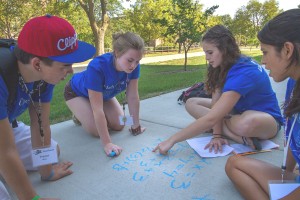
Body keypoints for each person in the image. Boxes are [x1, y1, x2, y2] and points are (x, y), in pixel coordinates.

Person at [0, 15, 96, 200]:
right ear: (37, 64)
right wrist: (32, 198)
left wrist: (47, 173)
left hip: (6, 127)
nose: (71, 71)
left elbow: (40, 125)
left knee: (52, 151)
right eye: (66, 65)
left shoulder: (44, 76)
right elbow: (5, 150)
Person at [153, 25, 283, 155]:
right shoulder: (221, 67)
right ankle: (237, 137)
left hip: (267, 120)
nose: (207, 57)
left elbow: (212, 117)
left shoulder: (244, 71)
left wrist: (171, 140)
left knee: (244, 123)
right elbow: (215, 105)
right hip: (237, 111)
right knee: (191, 102)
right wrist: (217, 136)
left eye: (210, 52)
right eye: (205, 53)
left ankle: (236, 133)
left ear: (224, 50)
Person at [225, 9, 300, 200]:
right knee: (234, 163)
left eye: (265, 52)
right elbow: (292, 134)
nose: (263, 61)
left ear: (287, 50)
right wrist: (286, 173)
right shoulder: (294, 81)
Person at [64, 32, 146, 157]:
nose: (133, 66)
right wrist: (107, 143)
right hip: (77, 93)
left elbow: (133, 97)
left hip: (103, 94)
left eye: (137, 61)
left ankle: (90, 114)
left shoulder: (134, 67)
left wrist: (135, 124)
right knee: (98, 131)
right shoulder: (97, 67)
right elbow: (98, 109)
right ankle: (79, 115)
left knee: (121, 123)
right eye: (130, 60)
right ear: (117, 52)